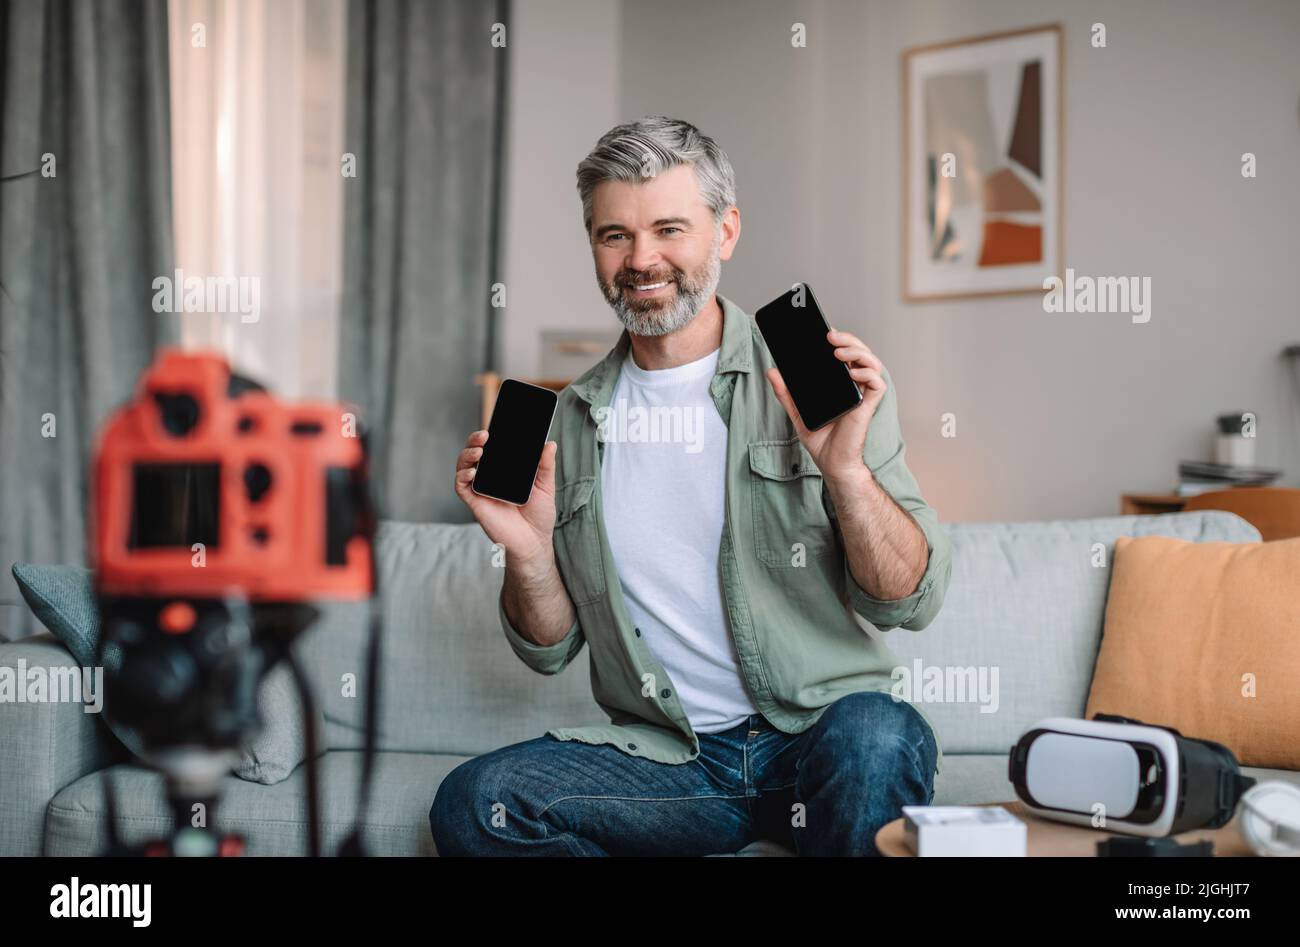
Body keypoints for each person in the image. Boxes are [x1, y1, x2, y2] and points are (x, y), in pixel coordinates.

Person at [431, 116, 952, 856]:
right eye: (615, 235)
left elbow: (910, 599)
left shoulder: (812, 371)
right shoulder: (567, 419)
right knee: (475, 804)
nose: (642, 259)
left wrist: (847, 473)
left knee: (879, 732)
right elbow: (548, 649)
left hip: (821, 740)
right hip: (672, 767)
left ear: (726, 231)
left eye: (669, 228)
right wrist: (528, 551)